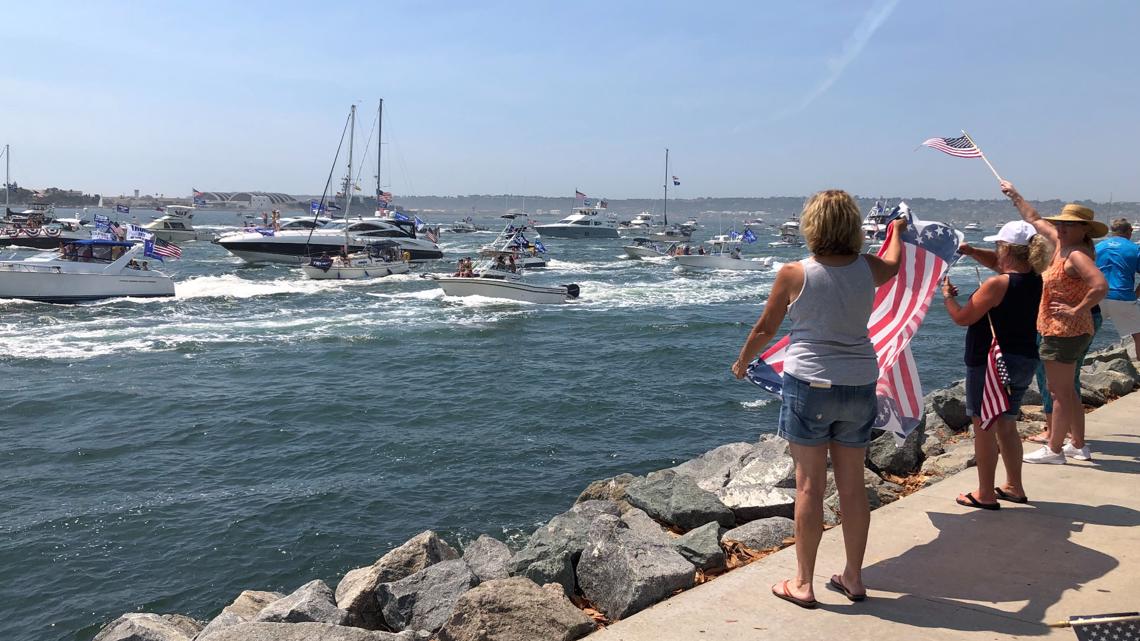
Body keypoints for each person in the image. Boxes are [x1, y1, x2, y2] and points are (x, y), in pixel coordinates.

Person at [732, 190, 904, 608]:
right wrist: (896, 229)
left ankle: (803, 583)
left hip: (809, 384)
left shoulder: (795, 273)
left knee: (809, 486)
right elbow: (896, 264)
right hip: (860, 382)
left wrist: (742, 361)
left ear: (812, 225)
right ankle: (854, 577)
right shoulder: (868, 268)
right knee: (852, 487)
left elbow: (766, 328)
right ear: (852, 226)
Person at [1000, 181, 1107, 464]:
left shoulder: (1076, 255)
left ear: (1084, 229)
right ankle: (1078, 445)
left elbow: (1100, 285)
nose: (1061, 228)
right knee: (1068, 389)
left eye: (1069, 225)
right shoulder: (1062, 244)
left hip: (1064, 330)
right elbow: (1034, 218)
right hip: (1062, 328)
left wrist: (1077, 308)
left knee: (1058, 391)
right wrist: (1015, 195)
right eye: (1061, 223)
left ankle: (1055, 449)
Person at [943, 221, 1048, 509]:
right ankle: (1014, 485)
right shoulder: (1036, 278)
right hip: (1023, 358)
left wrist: (948, 298)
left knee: (984, 426)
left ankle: (985, 493)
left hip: (989, 363)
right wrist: (973, 250)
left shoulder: (997, 283)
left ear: (1005, 250)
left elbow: (963, 317)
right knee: (1006, 425)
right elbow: (1003, 267)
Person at [1094, 217, 1140, 356]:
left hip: (1097, 296)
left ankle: (1075, 368)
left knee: (1085, 334)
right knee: (1138, 335)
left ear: (1112, 231)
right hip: (1122, 296)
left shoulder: (1098, 247)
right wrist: (1135, 294)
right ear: (1130, 231)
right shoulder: (1135, 249)